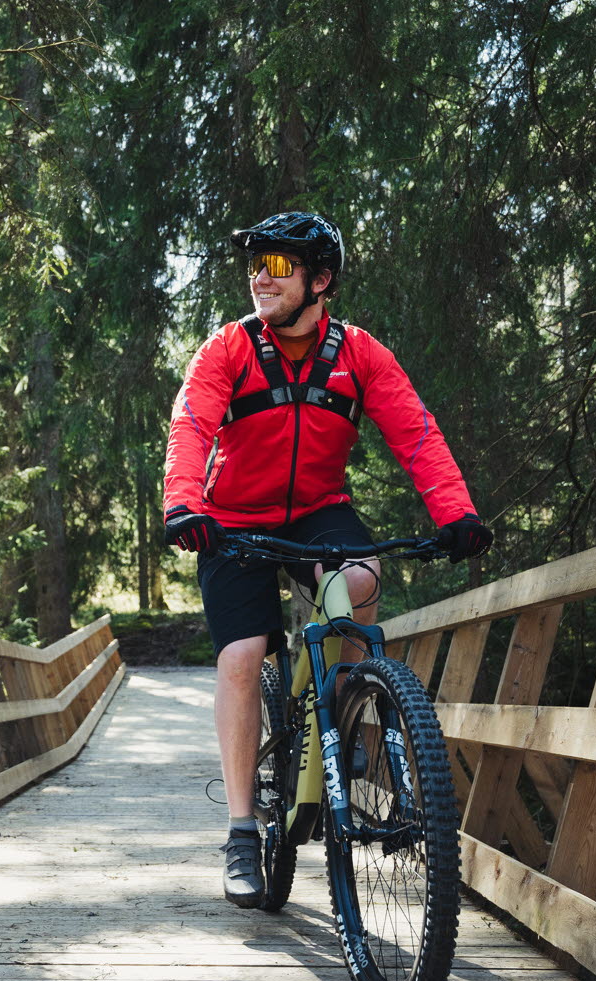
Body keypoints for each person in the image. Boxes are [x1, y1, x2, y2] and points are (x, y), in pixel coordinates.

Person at [161, 211, 493, 908]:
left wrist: (455, 515)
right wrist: (183, 505)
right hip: (232, 520)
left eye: (277, 266)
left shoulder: (359, 353)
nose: (259, 276)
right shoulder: (227, 348)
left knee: (362, 577)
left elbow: (416, 434)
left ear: (320, 281)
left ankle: (345, 709)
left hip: (317, 510)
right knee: (243, 654)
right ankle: (242, 832)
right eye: (255, 264)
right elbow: (191, 423)